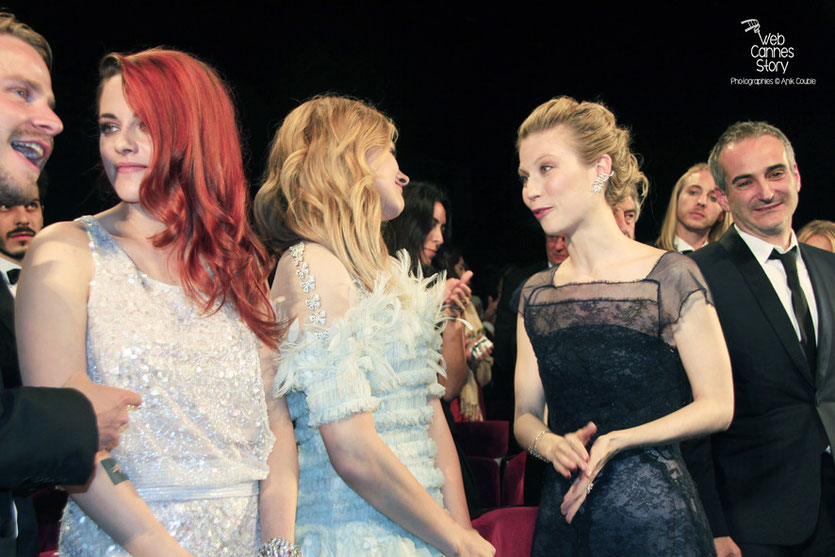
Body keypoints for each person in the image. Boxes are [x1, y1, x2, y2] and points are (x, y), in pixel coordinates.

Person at [18, 48, 296, 556]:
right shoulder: (64, 253)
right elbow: (65, 440)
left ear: (195, 132)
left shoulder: (239, 268)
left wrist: (279, 549)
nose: (121, 144)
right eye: (108, 126)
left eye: (143, 125)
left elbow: (274, 431)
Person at [255, 95, 493, 557]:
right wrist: (456, 540)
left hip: (431, 532)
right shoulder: (309, 265)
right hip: (353, 533)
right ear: (346, 161)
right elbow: (351, 448)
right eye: (388, 153)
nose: (403, 173)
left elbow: (431, 420)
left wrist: (461, 533)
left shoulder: (394, 274)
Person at [513, 96, 733, 556]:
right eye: (525, 176)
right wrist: (550, 444)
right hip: (565, 518)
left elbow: (718, 405)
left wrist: (620, 439)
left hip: (656, 520)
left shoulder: (669, 275)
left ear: (600, 169)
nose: (531, 190)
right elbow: (524, 416)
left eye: (546, 168)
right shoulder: (536, 293)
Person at [0, 12, 139, 556]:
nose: (54, 122)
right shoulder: (64, 252)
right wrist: (70, 420)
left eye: (49, 101)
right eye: (21, 92)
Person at [687, 121, 835, 556]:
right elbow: (689, 414)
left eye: (775, 174)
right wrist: (712, 526)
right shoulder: (697, 276)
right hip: (754, 523)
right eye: (745, 182)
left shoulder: (829, 268)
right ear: (723, 197)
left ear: (797, 176)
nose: (766, 192)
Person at [656, 163, 729, 253]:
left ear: (722, 214)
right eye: (693, 192)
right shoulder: (648, 255)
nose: (702, 202)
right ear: (677, 198)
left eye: (713, 198)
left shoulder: (729, 263)